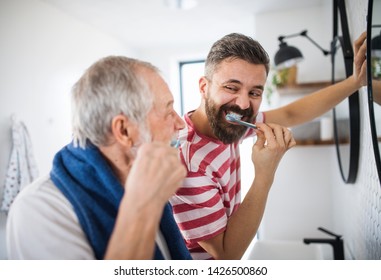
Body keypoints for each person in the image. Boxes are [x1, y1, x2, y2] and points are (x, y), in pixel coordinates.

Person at [169, 32, 367, 260]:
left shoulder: (230, 125)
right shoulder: (187, 164)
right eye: (232, 88)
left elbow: (290, 113)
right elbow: (227, 256)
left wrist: (355, 82)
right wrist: (265, 173)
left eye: (254, 92)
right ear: (204, 87)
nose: (243, 103)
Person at [6, 56, 192, 260]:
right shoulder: (38, 211)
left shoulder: (148, 185)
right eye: (168, 111)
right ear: (124, 131)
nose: (181, 123)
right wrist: (144, 206)